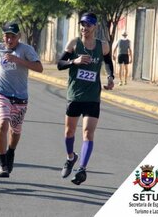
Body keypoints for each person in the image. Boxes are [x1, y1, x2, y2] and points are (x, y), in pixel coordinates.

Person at [0, 22, 43, 178]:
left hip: (20, 98)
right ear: (3, 36)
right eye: (7, 36)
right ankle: (2, 164)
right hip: (2, 93)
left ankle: (11, 152)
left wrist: (18, 60)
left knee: (15, 132)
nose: (9, 39)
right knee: (3, 123)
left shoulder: (26, 50)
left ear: (18, 37)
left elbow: (39, 68)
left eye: (13, 36)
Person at [57, 12, 114, 185]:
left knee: (88, 133)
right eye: (82, 24)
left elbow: (108, 63)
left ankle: (82, 169)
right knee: (69, 132)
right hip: (75, 95)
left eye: (88, 25)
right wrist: (75, 61)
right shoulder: (74, 43)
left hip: (92, 97)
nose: (84, 28)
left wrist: (111, 78)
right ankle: (70, 157)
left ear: (95, 27)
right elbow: (60, 64)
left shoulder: (103, 46)